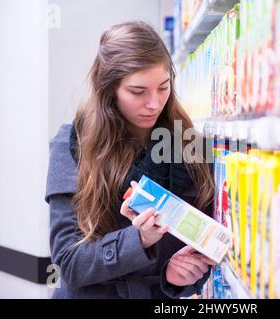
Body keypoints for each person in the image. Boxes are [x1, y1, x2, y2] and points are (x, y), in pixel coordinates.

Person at [45, 21, 216, 299]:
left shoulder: (187, 146)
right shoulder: (73, 143)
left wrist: (177, 277)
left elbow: (202, 244)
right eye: (138, 92)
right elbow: (70, 262)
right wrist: (137, 240)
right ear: (109, 89)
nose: (154, 103)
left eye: (163, 87)